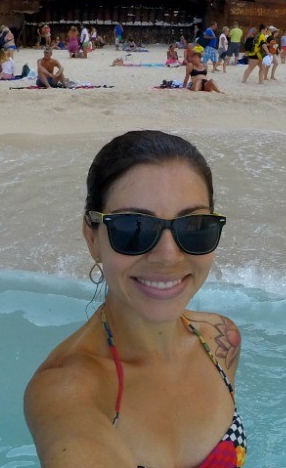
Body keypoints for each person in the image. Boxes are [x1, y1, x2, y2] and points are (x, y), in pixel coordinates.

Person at [24, 130, 244, 468]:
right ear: (92, 238)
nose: (169, 255)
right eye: (134, 228)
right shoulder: (65, 389)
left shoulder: (221, 342)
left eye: (195, 226)